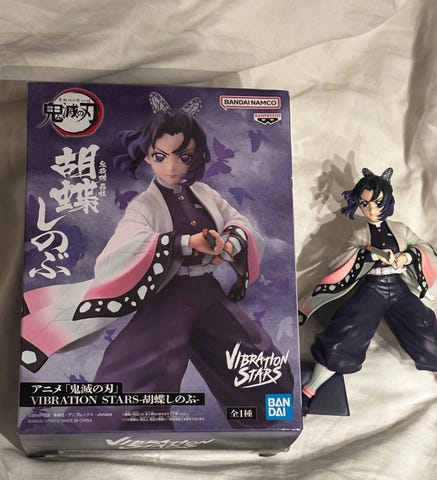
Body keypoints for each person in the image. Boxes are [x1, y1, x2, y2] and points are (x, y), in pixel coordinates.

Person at [20, 98, 293, 429]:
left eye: (184, 156)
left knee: (251, 351)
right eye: (161, 156)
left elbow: (238, 222)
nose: (172, 166)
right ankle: (123, 428)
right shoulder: (144, 205)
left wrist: (230, 243)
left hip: (208, 290)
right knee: (144, 364)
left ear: (197, 155)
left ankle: (264, 415)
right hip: (168, 294)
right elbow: (123, 249)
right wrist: (182, 243)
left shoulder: (206, 194)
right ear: (148, 155)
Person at [299, 167, 437, 413]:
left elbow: (424, 248)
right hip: (371, 288)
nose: (372, 209)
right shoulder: (359, 234)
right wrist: (368, 255)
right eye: (365, 204)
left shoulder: (401, 229)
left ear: (388, 201)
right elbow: (338, 263)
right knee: (345, 335)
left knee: (426, 333)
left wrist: (407, 257)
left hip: (397, 288)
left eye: (377, 202)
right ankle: (309, 390)